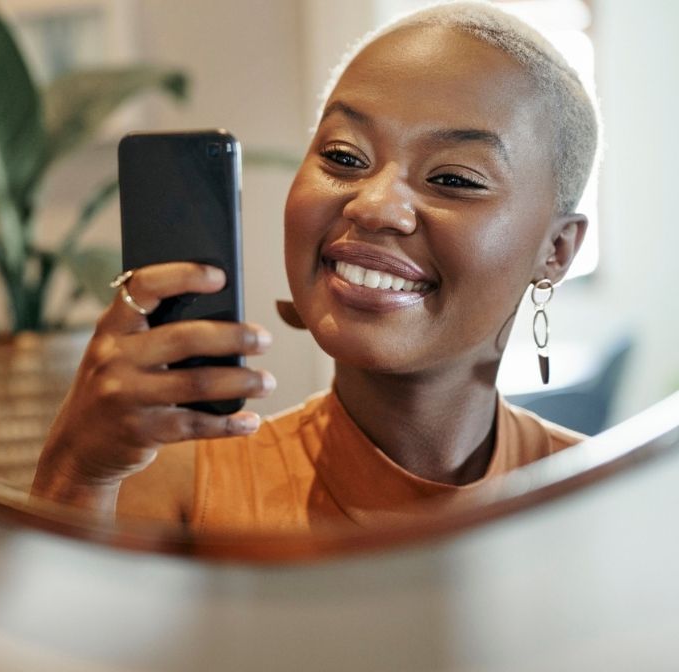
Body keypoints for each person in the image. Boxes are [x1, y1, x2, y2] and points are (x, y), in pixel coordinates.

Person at [31, 1, 600, 533]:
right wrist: (75, 471)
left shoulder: (609, 504)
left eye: (453, 178)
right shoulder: (180, 491)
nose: (373, 205)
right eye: (344, 156)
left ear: (556, 251)